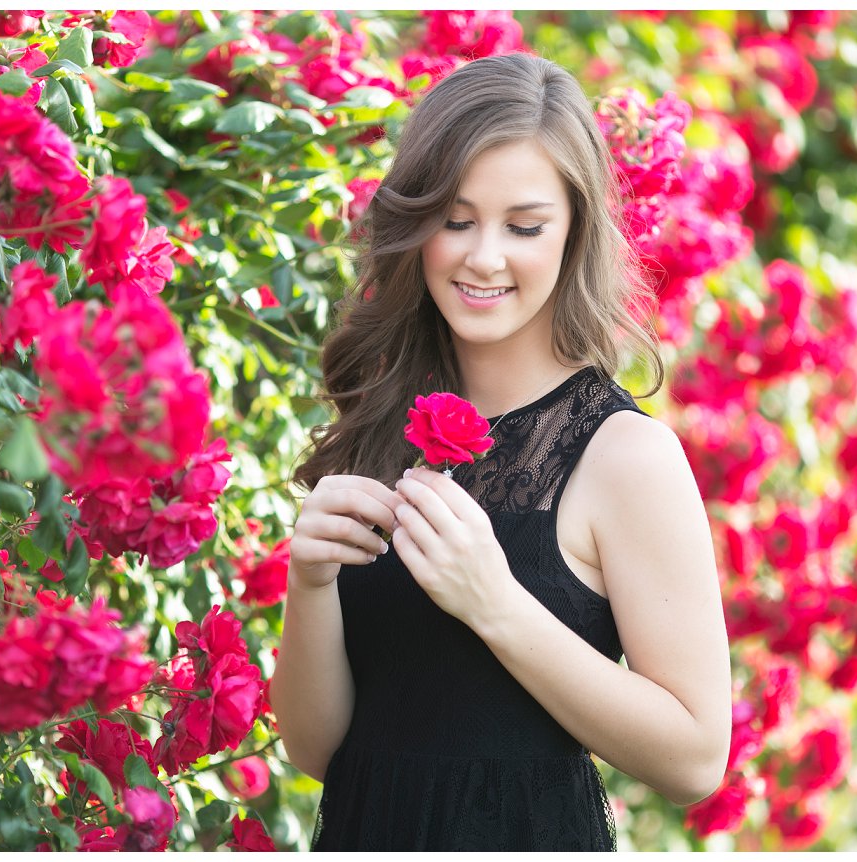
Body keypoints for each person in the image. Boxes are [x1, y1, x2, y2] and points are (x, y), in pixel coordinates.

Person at [270, 53, 732, 852]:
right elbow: (316, 752)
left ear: (573, 232)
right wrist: (307, 584)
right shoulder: (384, 427)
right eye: (454, 219)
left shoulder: (624, 457)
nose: (484, 256)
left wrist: (494, 603)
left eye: (523, 226)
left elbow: (695, 758)